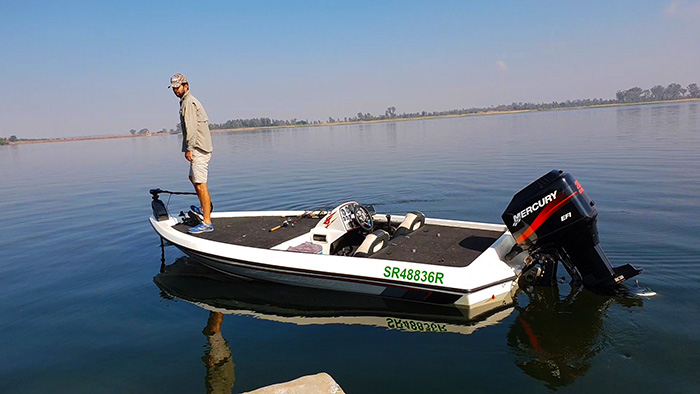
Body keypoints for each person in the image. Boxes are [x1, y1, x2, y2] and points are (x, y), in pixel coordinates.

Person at [169, 73, 214, 233]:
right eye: (173, 88)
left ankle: (207, 222)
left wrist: (189, 149)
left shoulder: (188, 102)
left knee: (201, 183)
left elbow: (191, 128)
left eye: (177, 87)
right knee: (193, 178)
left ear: (186, 86)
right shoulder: (186, 101)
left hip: (198, 148)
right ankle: (205, 206)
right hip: (199, 147)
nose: (175, 91)